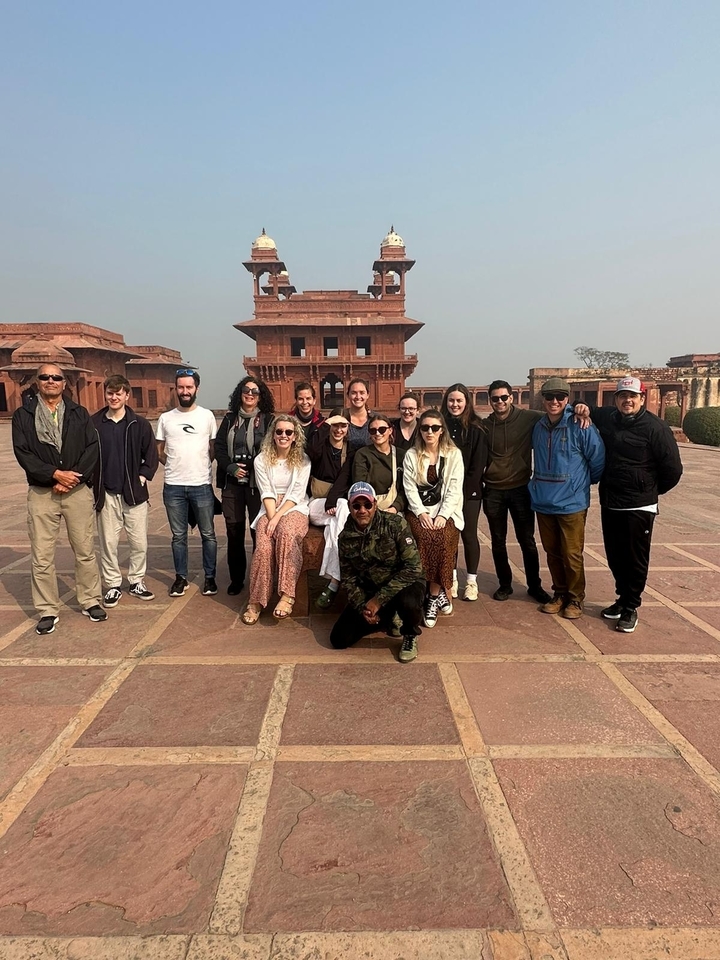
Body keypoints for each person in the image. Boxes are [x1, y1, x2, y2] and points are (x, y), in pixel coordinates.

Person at [573, 377, 683, 633]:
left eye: (633, 396)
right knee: (615, 555)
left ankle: (631, 606)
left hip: (638, 505)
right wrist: (579, 405)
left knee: (635, 558)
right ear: (616, 399)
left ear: (642, 399)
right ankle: (621, 599)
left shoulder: (656, 428)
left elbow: (673, 470)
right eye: (623, 396)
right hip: (612, 501)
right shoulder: (609, 417)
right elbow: (583, 407)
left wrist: (648, 491)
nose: (627, 400)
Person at [12, 363, 106, 634]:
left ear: (65, 384)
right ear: (37, 383)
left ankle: (90, 600)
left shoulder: (79, 413)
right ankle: (47, 609)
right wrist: (55, 474)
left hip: (75, 491)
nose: (51, 381)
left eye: (56, 377)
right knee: (42, 555)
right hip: (43, 492)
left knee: (85, 550)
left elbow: (92, 447)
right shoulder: (23, 416)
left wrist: (71, 478)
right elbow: (23, 454)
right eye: (45, 377)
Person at [529, 377, 605, 619]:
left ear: (567, 399)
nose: (554, 401)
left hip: (571, 501)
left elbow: (598, 459)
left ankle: (575, 598)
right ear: (542, 399)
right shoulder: (539, 426)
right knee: (552, 553)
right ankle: (560, 592)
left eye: (560, 397)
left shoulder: (580, 425)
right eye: (549, 397)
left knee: (572, 553)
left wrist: (581, 483)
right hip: (544, 499)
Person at [331, 482, 426, 663]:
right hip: (371, 587)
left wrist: (378, 600)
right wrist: (363, 608)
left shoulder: (395, 524)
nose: (362, 510)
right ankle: (386, 618)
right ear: (350, 507)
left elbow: (413, 567)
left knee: (409, 601)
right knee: (339, 639)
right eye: (356, 505)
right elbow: (349, 578)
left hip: (403, 583)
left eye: (367, 505)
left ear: (375, 504)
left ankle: (410, 635)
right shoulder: (345, 537)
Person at [482, 380, 552, 605]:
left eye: (504, 397)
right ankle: (505, 584)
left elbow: (555, 411)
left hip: (520, 488)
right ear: (490, 400)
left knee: (527, 540)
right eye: (495, 398)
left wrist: (579, 408)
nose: (500, 402)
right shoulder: (485, 426)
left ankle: (534, 585)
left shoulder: (528, 418)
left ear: (512, 398)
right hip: (493, 489)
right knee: (498, 541)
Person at [91, 375, 158, 606]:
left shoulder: (138, 424)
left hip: (134, 493)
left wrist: (142, 476)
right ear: (106, 394)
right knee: (108, 543)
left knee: (139, 542)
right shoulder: (95, 424)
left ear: (127, 395)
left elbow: (151, 454)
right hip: (107, 492)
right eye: (110, 393)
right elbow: (86, 455)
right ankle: (112, 584)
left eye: (119, 393)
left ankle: (136, 580)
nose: (114, 397)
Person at [242, 415, 311, 624]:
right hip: (269, 507)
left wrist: (278, 519)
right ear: (272, 435)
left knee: (287, 534)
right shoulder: (261, 459)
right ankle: (256, 600)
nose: (283, 435)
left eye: (288, 432)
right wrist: (272, 518)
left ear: (295, 436)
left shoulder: (303, 459)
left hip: (295, 507)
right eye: (279, 431)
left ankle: (287, 594)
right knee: (263, 546)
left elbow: (297, 493)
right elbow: (266, 492)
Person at [156, 368, 218, 598]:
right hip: (173, 485)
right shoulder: (166, 418)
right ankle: (180, 577)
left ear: (196, 389)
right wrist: (173, 464)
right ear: (176, 389)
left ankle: (209, 577)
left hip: (200, 484)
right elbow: (159, 451)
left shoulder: (207, 416)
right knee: (178, 536)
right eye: (181, 387)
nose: (184, 391)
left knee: (208, 534)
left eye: (189, 387)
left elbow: (212, 449)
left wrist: (199, 465)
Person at [403, 409, 465, 628]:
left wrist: (443, 515)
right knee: (426, 537)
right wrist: (421, 513)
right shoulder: (412, 454)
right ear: (419, 431)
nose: (430, 432)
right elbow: (409, 488)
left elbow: (454, 489)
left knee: (444, 536)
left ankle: (432, 595)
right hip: (418, 510)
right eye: (425, 428)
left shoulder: (453, 454)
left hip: (446, 510)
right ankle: (437, 596)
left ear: (442, 431)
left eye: (435, 428)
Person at [215, 376, 275, 595]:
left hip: (256, 485)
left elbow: (270, 448)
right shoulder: (230, 420)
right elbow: (220, 448)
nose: (250, 394)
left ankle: (261, 578)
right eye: (246, 390)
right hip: (232, 484)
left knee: (259, 532)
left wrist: (249, 466)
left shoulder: (268, 420)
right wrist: (231, 467)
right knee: (234, 531)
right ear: (239, 393)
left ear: (261, 396)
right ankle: (237, 578)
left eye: (255, 391)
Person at [440, 383, 488, 601]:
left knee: (468, 536)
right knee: (449, 537)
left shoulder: (477, 429)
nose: (455, 404)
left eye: (459, 400)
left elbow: (477, 466)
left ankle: (471, 581)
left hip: (469, 492)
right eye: (451, 400)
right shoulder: (440, 427)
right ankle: (451, 579)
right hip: (445, 491)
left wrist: (461, 493)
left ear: (467, 402)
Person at [306, 412, 354, 609]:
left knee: (334, 526)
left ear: (348, 428)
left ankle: (334, 581)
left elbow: (344, 479)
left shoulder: (350, 450)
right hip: (317, 504)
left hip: (334, 507)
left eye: (343, 426)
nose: (339, 430)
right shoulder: (321, 446)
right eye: (335, 425)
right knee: (342, 507)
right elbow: (311, 451)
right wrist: (326, 426)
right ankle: (347, 572)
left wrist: (332, 501)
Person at [352, 414, 405, 513]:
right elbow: (360, 485)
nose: (377, 433)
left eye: (382, 429)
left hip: (395, 509)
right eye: (373, 430)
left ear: (390, 430)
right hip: (369, 509)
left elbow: (406, 487)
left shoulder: (401, 455)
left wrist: (395, 508)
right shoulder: (363, 454)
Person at [343, 378, 373, 450]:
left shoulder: (375, 419)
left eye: (362, 393)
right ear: (348, 395)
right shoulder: (341, 418)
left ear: (367, 395)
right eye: (353, 393)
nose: (358, 397)